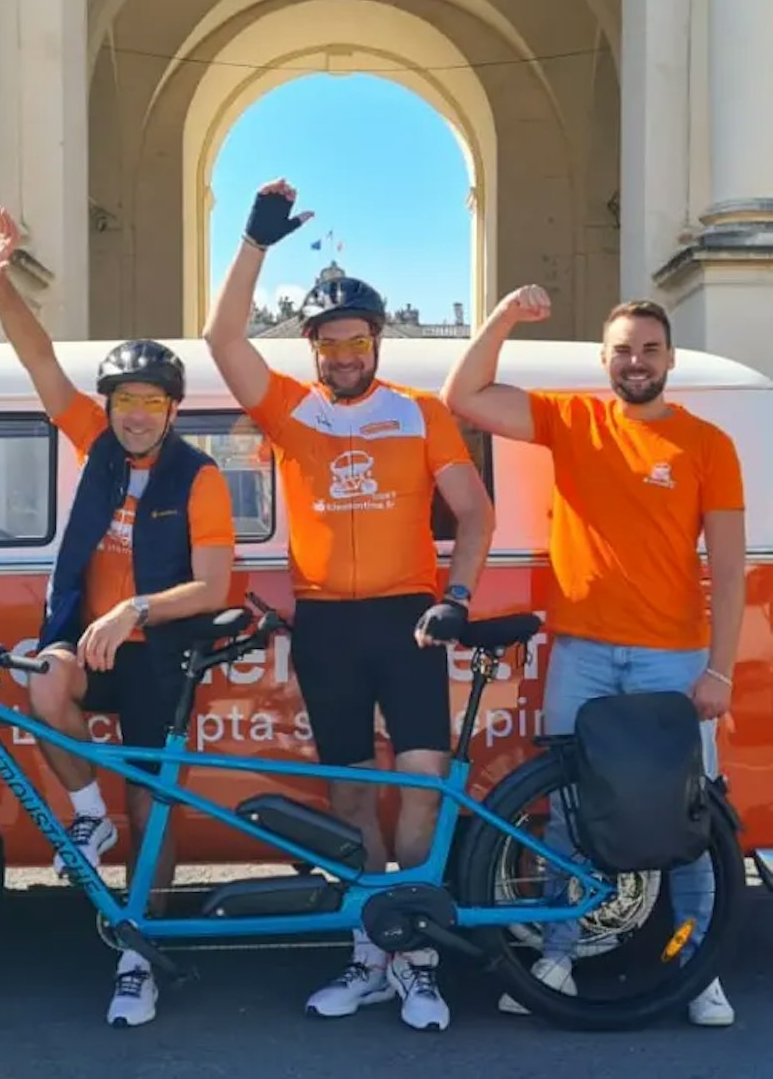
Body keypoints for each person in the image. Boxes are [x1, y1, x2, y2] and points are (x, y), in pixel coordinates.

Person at [202, 180, 495, 1032]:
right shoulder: (294, 410)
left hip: (409, 616)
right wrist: (254, 244)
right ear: (313, 348)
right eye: (327, 342)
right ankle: (373, 947)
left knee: (423, 790)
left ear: (375, 340)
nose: (341, 354)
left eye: (355, 339)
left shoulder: (422, 411)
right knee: (351, 801)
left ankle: (416, 953)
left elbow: (475, 513)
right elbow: (223, 339)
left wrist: (461, 596)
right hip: (326, 622)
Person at [440, 285, 745, 1027]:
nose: (636, 362)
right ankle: (557, 956)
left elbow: (730, 567)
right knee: (567, 812)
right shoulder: (572, 419)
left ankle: (695, 964)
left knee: (691, 818)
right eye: (622, 351)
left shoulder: (708, 443)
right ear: (603, 360)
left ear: (668, 358)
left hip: (674, 658)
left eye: (648, 349)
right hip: (584, 650)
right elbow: (464, 393)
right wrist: (505, 316)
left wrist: (720, 670)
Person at [0, 206, 235, 1027]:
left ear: (172, 409)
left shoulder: (200, 478)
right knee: (45, 687)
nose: (133, 413)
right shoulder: (91, 441)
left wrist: (134, 608)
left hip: (159, 650)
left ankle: (139, 954)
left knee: (152, 806)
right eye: (123, 398)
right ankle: (84, 820)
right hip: (85, 641)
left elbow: (214, 584)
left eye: (150, 401)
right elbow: (40, 361)